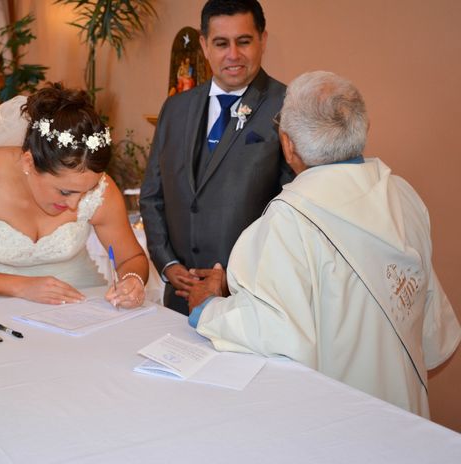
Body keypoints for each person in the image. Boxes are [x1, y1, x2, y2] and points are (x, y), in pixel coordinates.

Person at [187, 71, 461, 418]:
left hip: (341, 414)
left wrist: (207, 307)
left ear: (287, 143)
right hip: (403, 409)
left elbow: (277, 331)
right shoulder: (401, 194)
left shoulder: (290, 218)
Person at [0, 84, 148, 308]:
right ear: (28, 162)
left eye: (86, 191)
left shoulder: (102, 189)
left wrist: (133, 279)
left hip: (77, 301)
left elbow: (132, 259)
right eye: (64, 191)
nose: (75, 204)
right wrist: (21, 286)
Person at [140, 0, 292, 315]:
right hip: (179, 298)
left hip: (248, 302)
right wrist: (167, 264)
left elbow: (291, 215)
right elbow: (152, 196)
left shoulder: (288, 106)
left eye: (244, 41)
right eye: (221, 43)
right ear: (204, 45)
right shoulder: (175, 108)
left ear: (262, 40)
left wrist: (230, 280)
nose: (233, 55)